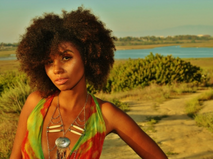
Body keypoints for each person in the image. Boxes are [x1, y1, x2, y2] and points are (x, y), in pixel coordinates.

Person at [10, 6, 168, 159]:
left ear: (87, 57)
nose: (56, 69)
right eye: (49, 61)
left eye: (66, 57)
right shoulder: (36, 103)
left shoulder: (106, 114)